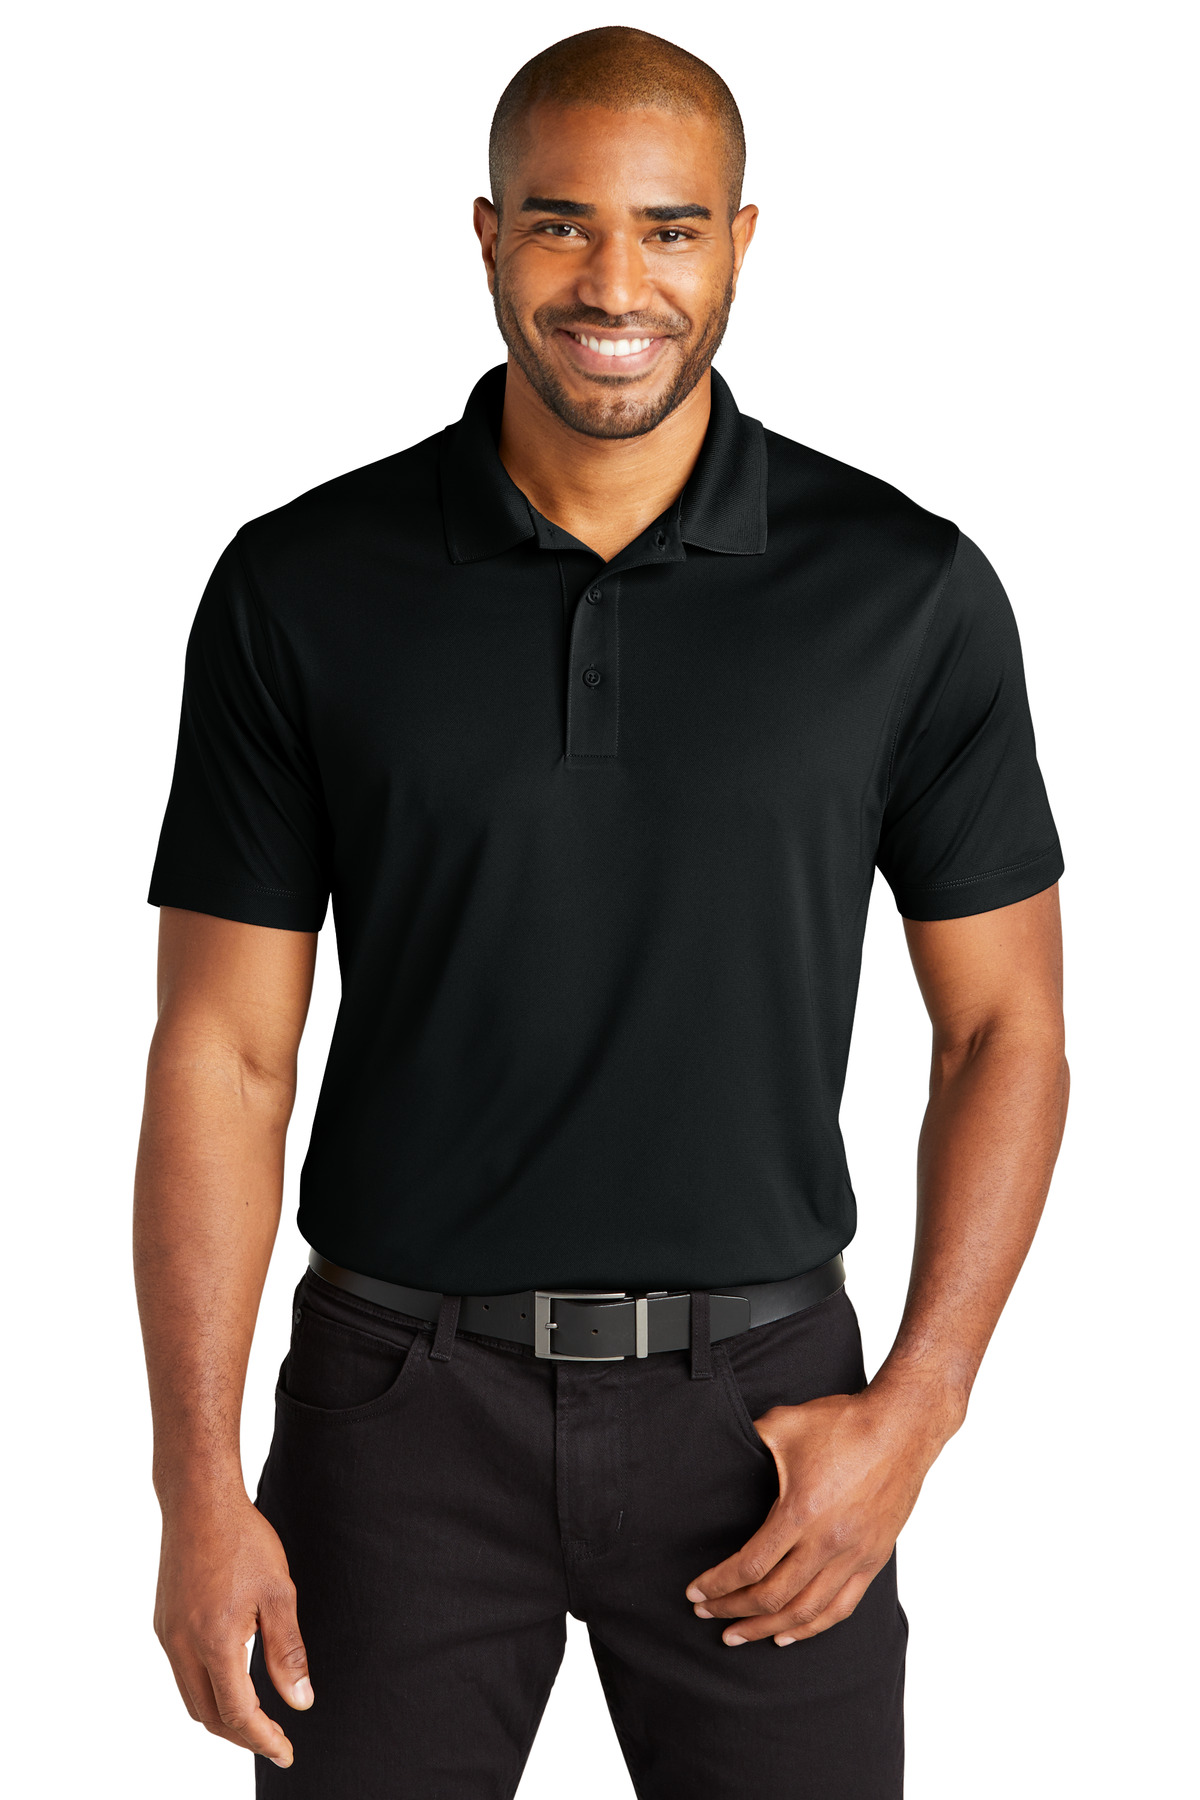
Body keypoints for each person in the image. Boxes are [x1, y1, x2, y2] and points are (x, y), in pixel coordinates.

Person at [134, 26, 1068, 1799]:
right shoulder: (299, 587)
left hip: (768, 1420)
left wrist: (920, 1408)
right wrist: (195, 1483)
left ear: (741, 242)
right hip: (393, 1411)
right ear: (487, 235)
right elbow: (225, 1055)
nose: (616, 285)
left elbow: (1005, 1030)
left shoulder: (908, 594)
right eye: (563, 225)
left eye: (670, 229)